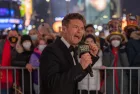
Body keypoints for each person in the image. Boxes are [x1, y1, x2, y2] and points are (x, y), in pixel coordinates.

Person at [40, 13, 99, 94]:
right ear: (64, 29)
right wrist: (80, 67)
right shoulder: (50, 50)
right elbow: (52, 83)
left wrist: (91, 57)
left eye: (82, 28)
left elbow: (76, 77)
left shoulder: (75, 48)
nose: (79, 31)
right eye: (75, 27)